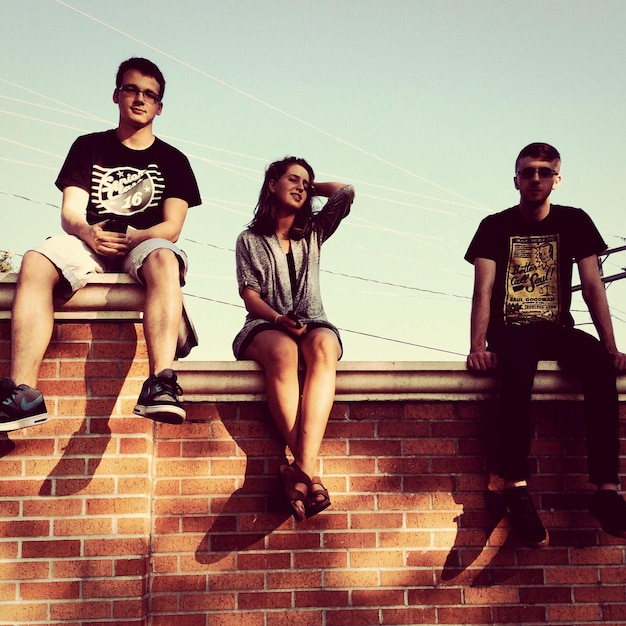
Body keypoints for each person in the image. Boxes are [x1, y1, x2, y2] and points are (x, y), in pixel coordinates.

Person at [0, 57, 201, 432]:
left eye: (150, 94)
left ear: (159, 106)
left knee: (164, 256)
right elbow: (70, 214)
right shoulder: (88, 146)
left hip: (143, 244)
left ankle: (161, 382)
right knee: (35, 260)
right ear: (116, 94)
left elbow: (171, 227)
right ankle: (23, 392)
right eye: (132, 89)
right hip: (92, 240)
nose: (140, 99)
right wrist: (90, 232)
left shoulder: (174, 160)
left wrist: (135, 237)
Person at [465, 142, 626, 548]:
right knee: (517, 371)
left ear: (557, 178)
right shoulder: (494, 226)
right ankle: (515, 486)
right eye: (526, 172)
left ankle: (606, 490)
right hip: (511, 330)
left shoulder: (574, 221)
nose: (534, 178)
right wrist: (477, 346)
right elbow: (482, 291)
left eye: (543, 171)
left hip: (555, 328)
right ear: (515, 179)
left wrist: (610, 345)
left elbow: (593, 286)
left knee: (598, 365)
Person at [233, 157, 354, 521]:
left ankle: (298, 471)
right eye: (293, 180)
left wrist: (310, 188)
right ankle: (309, 473)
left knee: (325, 346)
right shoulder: (249, 239)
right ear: (271, 184)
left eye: (307, 182)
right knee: (284, 351)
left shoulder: (314, 231)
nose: (301, 186)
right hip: (264, 324)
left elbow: (346, 193)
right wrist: (278, 319)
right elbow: (250, 294)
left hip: (313, 320)